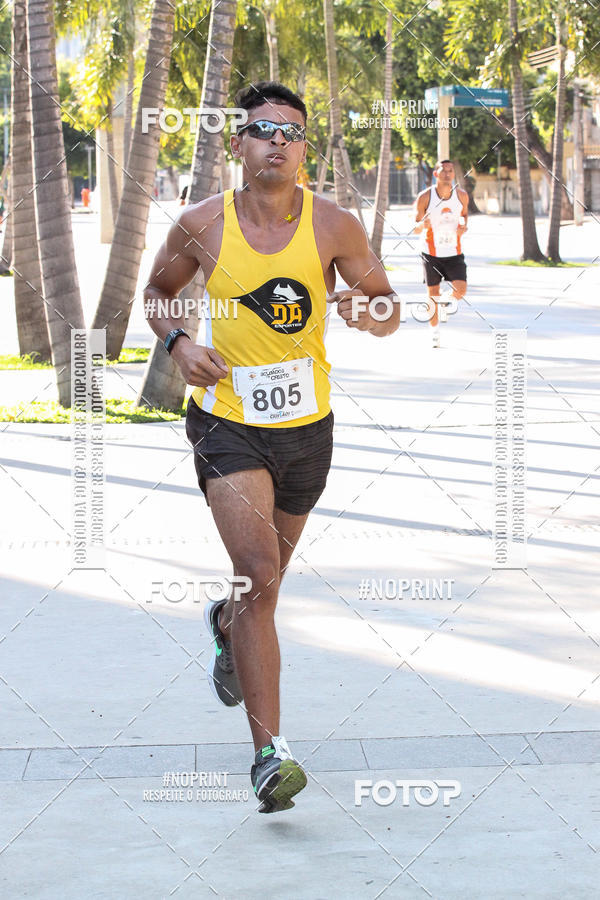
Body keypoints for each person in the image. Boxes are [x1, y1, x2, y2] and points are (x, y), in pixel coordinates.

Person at [143, 81, 399, 813]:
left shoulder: (335, 226)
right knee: (257, 572)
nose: (276, 142)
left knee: (266, 584)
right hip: (226, 420)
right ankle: (270, 755)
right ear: (239, 144)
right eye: (261, 129)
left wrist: (369, 309)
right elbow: (158, 295)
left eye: (290, 131)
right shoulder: (201, 224)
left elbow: (389, 309)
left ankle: (225, 624)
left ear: (304, 146)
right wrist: (179, 341)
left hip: (307, 430)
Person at [414, 159, 468, 348]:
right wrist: (422, 225)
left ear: (454, 174)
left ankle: (445, 302)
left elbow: (464, 217)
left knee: (461, 290)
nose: (447, 174)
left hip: (454, 251)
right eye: (443, 170)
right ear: (436, 174)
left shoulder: (461, 196)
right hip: (431, 252)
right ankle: (434, 332)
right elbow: (415, 226)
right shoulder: (425, 197)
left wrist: (463, 227)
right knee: (432, 294)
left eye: (450, 171)